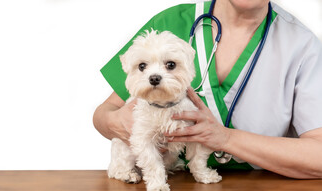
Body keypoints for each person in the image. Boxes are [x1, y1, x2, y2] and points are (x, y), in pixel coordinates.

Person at [93, 0, 322, 179]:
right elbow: (104, 113)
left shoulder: (302, 46)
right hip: (172, 190)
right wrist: (116, 123)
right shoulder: (170, 23)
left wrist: (226, 139)